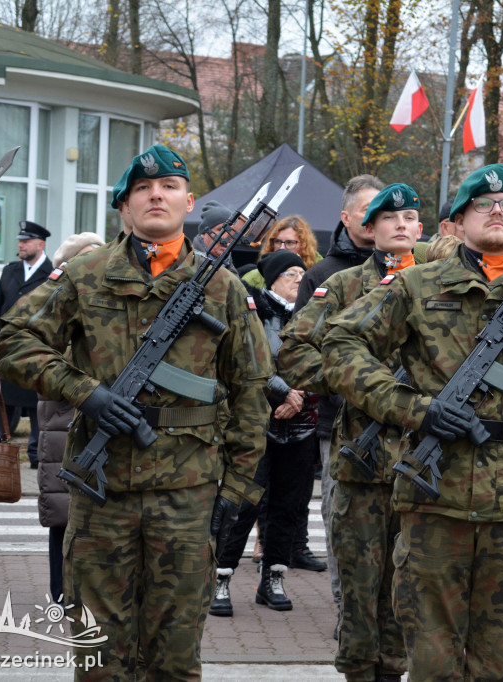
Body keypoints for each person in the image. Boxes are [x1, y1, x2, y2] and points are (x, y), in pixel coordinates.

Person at [0, 144, 270, 679]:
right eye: (142, 189)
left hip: (187, 494)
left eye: (168, 186)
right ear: (124, 206)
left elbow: (251, 395)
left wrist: (235, 491)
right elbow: (13, 342)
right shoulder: (85, 273)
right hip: (103, 495)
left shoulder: (223, 287)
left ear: (189, 201)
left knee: (174, 658)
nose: (155, 195)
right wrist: (86, 393)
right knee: (99, 656)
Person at [321, 163, 503, 681]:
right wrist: (413, 408)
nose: (498, 211)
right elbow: (340, 344)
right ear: (457, 223)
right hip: (434, 499)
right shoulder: (416, 286)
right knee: (432, 660)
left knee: (500, 663)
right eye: (482, 205)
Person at [280, 182, 427, 681]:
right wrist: (360, 383)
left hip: (427, 463)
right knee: (359, 592)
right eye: (388, 218)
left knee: (411, 594)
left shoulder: (440, 285)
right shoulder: (342, 285)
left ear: (421, 229)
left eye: (409, 217)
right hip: (361, 462)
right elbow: (293, 353)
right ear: (369, 228)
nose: (400, 224)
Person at [211, 249, 321, 617]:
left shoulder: (313, 312)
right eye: (291, 273)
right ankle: (221, 578)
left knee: (289, 507)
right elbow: (250, 362)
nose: (298, 280)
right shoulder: (254, 311)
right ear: (272, 279)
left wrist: (300, 396)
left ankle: (273, 578)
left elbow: (325, 360)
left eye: (302, 273)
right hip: (259, 423)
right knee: (244, 503)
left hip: (301, 425)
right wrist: (283, 392)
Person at [293, 174, 384, 605]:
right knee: (340, 513)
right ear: (345, 217)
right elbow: (299, 351)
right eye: (365, 210)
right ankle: (346, 606)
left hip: (403, 419)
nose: (374, 217)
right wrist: (347, 384)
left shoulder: (413, 272)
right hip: (340, 420)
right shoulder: (322, 276)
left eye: (380, 209)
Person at [36, 233, 105, 604]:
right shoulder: (55, 301)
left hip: (98, 420)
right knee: (63, 512)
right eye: (89, 257)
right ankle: (60, 591)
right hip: (63, 419)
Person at [0, 219, 53, 468]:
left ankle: (36, 456)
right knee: (0, 403)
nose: (21, 245)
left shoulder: (52, 275)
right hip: (5, 352)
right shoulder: (10, 270)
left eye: (26, 241)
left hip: (35, 353)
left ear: (40, 244)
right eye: (20, 241)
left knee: (36, 408)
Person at [242, 215, 322, 289]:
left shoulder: (321, 275)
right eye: (278, 242)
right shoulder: (253, 278)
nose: (282, 248)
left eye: (290, 243)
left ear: (304, 246)